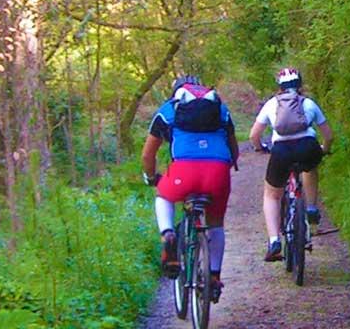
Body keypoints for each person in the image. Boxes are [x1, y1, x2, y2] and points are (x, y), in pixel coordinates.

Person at [141, 75, 239, 297]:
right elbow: (234, 149)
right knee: (216, 224)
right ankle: (214, 276)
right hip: (218, 172)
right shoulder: (221, 109)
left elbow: (148, 155)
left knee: (163, 196)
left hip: (183, 173)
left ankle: (168, 235)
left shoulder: (168, 110)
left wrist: (151, 177)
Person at [248, 67, 332, 261]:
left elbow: (254, 135)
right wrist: (324, 149)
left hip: (281, 151)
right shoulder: (309, 103)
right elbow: (328, 135)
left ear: (280, 86)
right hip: (307, 147)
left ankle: (274, 240)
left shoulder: (271, 104)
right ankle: (311, 208)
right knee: (310, 167)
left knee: (272, 195)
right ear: (300, 84)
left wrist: (260, 148)